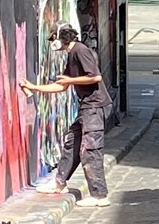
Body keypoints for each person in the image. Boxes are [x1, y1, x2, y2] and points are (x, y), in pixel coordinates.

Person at [20, 24, 114, 207]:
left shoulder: (80, 50)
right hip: (87, 108)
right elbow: (62, 85)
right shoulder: (72, 54)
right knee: (72, 144)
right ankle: (59, 183)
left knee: (90, 150)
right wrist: (34, 87)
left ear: (62, 36)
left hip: (95, 107)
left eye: (53, 37)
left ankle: (99, 195)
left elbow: (95, 77)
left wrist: (71, 80)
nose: (52, 42)